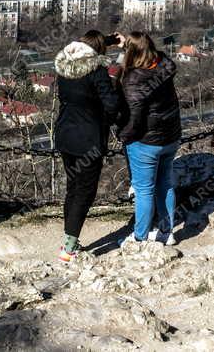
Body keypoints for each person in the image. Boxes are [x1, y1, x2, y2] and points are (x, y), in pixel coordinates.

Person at [53, 30, 122, 262]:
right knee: (85, 191)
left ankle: (68, 239)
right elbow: (111, 105)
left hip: (65, 135)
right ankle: (69, 248)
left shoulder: (64, 67)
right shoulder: (97, 72)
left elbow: (89, 42)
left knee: (73, 188)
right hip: (89, 139)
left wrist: (111, 40)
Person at [117, 31, 181, 246]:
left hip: (146, 142)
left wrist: (123, 136)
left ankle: (139, 237)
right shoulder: (164, 65)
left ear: (131, 52)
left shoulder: (134, 79)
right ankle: (166, 232)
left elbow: (135, 119)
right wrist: (131, 43)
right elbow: (156, 55)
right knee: (165, 184)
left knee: (144, 190)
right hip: (171, 136)